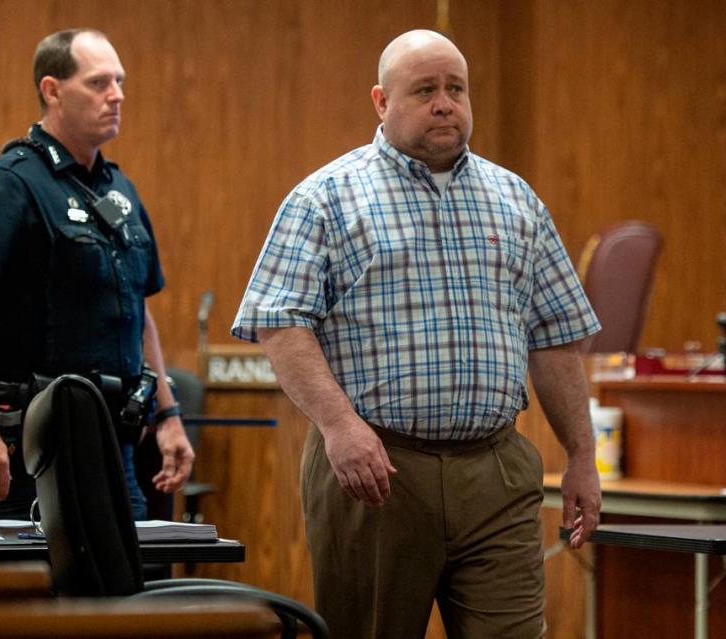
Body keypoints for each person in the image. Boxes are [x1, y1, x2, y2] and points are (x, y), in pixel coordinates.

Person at [232, 29, 601, 639]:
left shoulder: (517, 201)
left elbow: (556, 335)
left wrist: (583, 457)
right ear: (381, 101)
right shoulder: (326, 198)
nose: (444, 103)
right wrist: (339, 426)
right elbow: (280, 323)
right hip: (376, 470)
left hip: (496, 472)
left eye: (455, 88)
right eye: (425, 89)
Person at [0, 28, 194, 520]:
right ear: (52, 90)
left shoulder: (120, 191)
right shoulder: (11, 186)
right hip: (34, 450)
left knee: (124, 595)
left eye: (119, 81)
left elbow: (137, 312)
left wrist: (169, 415)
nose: (117, 95)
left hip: (117, 448)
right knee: (40, 594)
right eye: (98, 83)